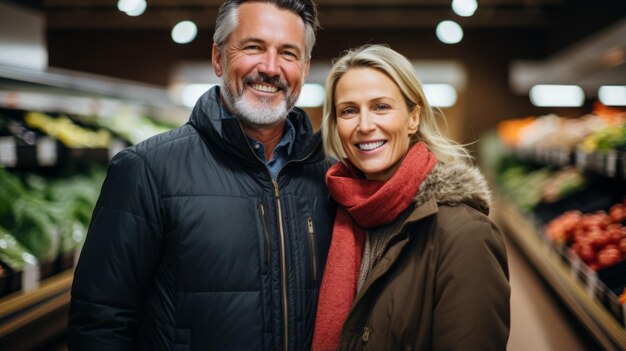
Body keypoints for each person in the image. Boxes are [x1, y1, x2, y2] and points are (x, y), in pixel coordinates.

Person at [67, 1, 335, 350]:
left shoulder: (329, 179)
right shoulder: (146, 170)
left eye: (288, 53)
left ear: (305, 66)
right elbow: (99, 324)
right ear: (217, 57)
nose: (271, 68)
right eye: (253, 47)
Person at [311, 44, 510, 351]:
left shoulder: (465, 233)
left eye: (381, 107)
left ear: (413, 118)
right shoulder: (333, 214)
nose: (364, 125)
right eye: (349, 111)